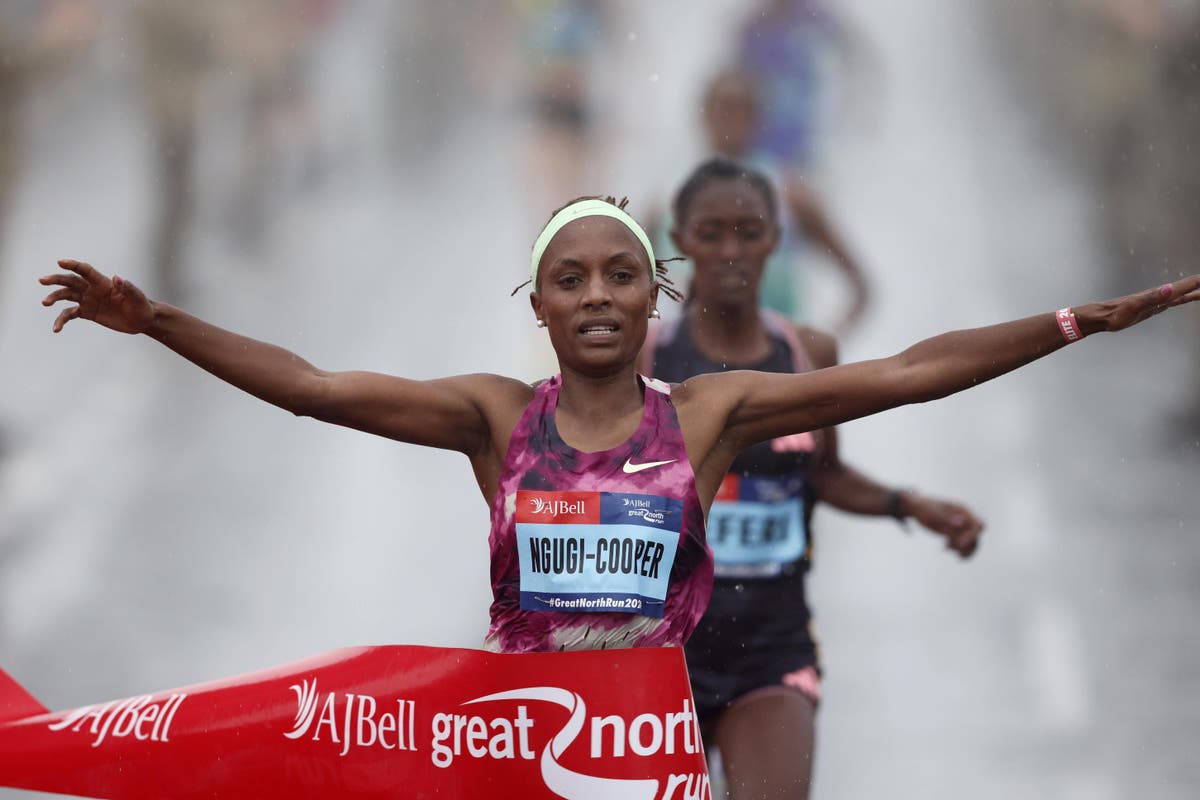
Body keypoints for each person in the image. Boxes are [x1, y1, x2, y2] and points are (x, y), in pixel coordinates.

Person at [38, 198, 1198, 657]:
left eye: (620, 276)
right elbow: (313, 386)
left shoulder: (710, 413)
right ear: (538, 306)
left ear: (656, 300)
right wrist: (159, 321)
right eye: (569, 278)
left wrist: (1076, 321)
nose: (596, 294)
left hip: (653, 750)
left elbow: (906, 374)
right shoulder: (493, 417)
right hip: (518, 743)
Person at [641, 157, 983, 799]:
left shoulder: (808, 353)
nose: (731, 251)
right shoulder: (648, 356)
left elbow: (824, 475)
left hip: (771, 650)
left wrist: (908, 504)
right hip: (657, 652)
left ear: (775, 238)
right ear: (679, 242)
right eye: (710, 234)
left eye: (749, 232)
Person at [654, 68, 870, 333]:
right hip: (685, 349)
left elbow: (859, 285)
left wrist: (818, 343)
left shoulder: (788, 191)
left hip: (770, 349)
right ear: (704, 113)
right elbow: (628, 272)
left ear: (758, 118)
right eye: (722, 107)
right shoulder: (669, 193)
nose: (730, 118)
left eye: (740, 109)